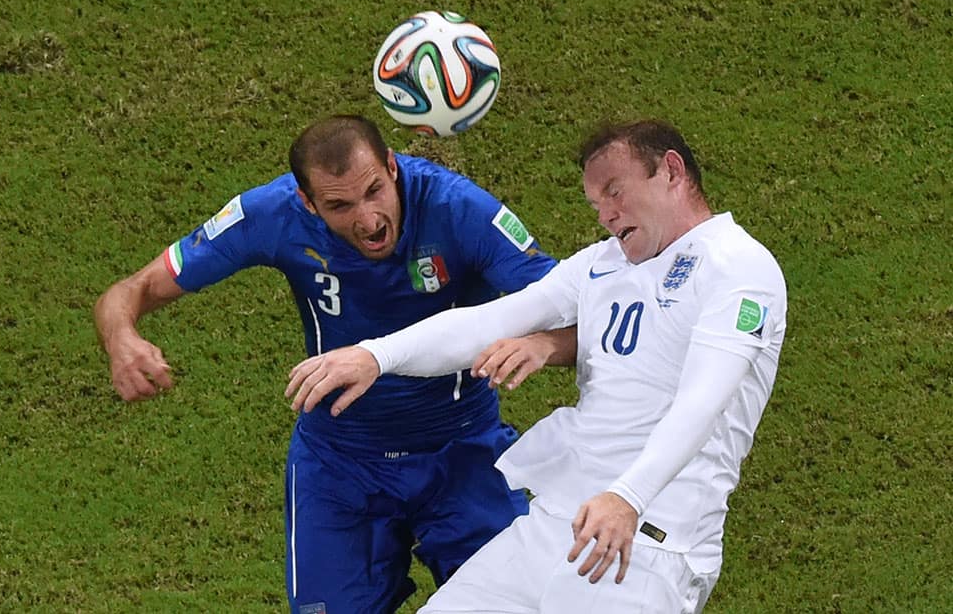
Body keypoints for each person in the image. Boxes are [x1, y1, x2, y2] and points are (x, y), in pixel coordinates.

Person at [286, 119, 788, 613]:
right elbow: (491, 319)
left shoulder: (739, 268)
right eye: (596, 205)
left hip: (647, 543)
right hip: (556, 525)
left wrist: (627, 498)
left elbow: (703, 400)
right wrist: (377, 355)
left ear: (672, 171)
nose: (606, 216)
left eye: (615, 192)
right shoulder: (603, 263)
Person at [93, 115, 572, 613]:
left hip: (463, 454)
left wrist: (546, 346)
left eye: (373, 191)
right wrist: (122, 337)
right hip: (340, 464)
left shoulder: (460, 210)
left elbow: (576, 304)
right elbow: (131, 290)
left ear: (392, 167)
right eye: (339, 206)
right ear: (307, 202)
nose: (367, 220)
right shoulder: (271, 213)